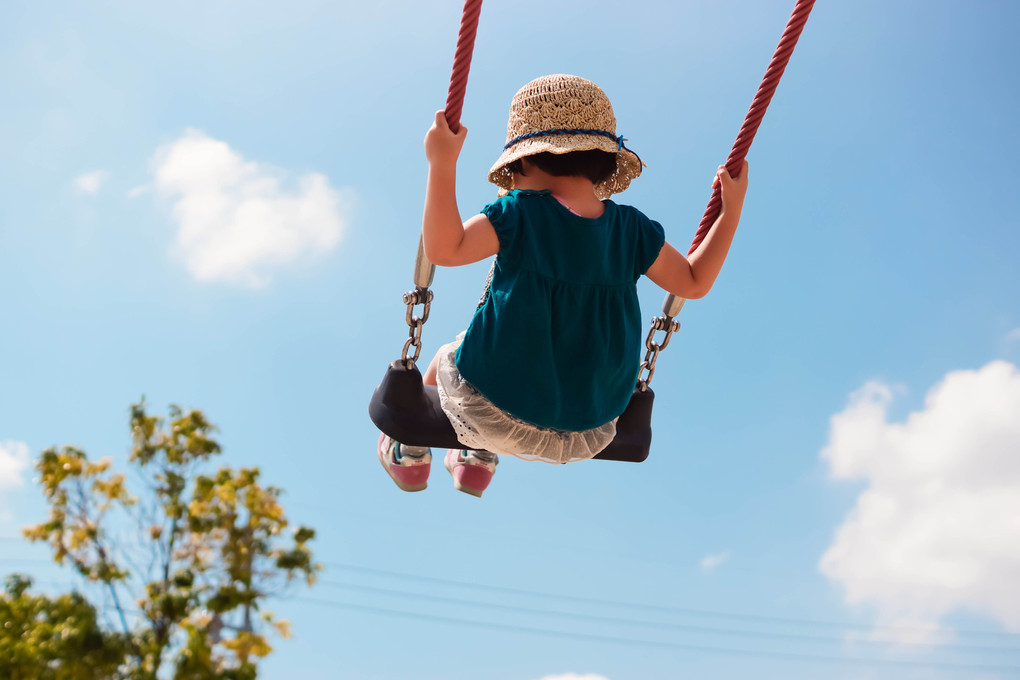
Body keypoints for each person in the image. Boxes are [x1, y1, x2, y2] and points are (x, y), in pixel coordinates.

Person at [378, 74, 748, 497]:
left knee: (449, 355)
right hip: (589, 427)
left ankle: (410, 449)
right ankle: (474, 460)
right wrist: (730, 213)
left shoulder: (519, 214)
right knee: (505, 366)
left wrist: (441, 163)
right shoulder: (632, 230)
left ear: (523, 162)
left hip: (491, 410)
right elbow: (695, 281)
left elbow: (445, 248)